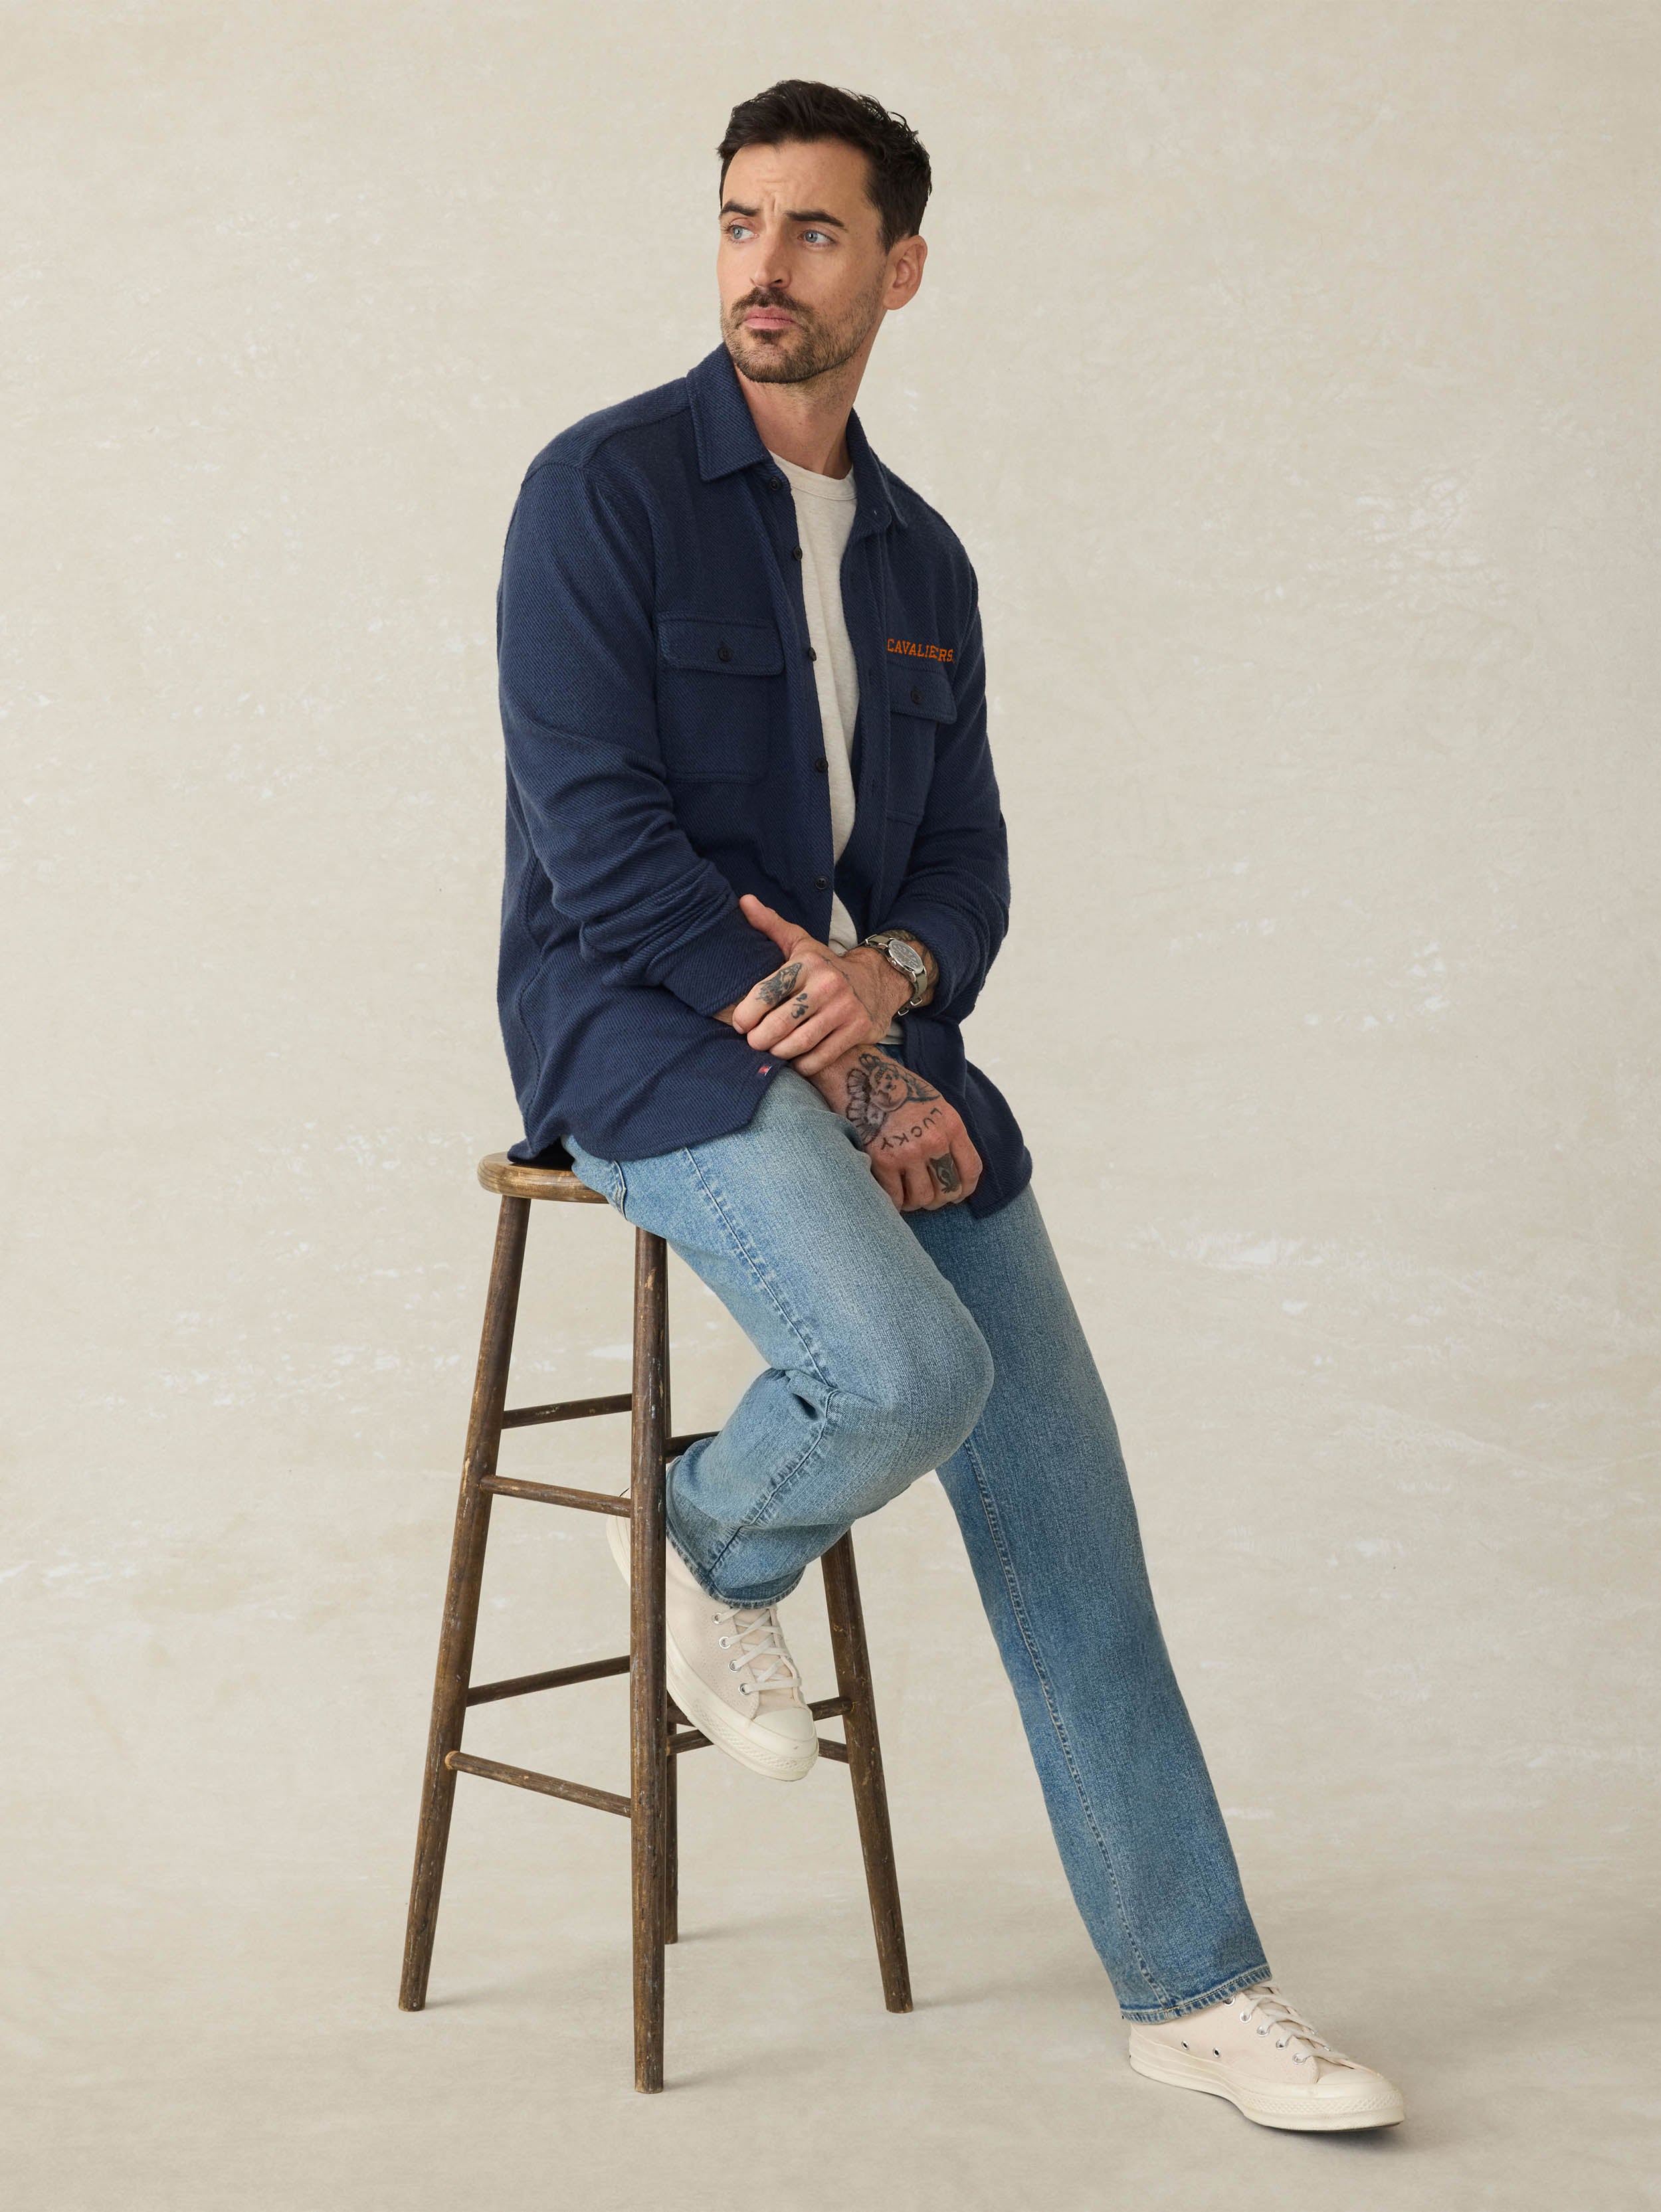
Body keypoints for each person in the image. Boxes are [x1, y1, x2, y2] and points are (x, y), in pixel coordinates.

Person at [494, 77, 1404, 2135]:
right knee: (905, 1366)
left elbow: (963, 867)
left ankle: (1196, 1986)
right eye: (739, 223)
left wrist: (890, 993)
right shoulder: (602, 492)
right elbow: (597, 839)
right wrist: (825, 1028)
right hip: (636, 1028)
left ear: (897, 270)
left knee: (1066, 1500)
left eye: (813, 234)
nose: (764, 268)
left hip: (871, 1046)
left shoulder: (920, 560)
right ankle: (714, 1547)